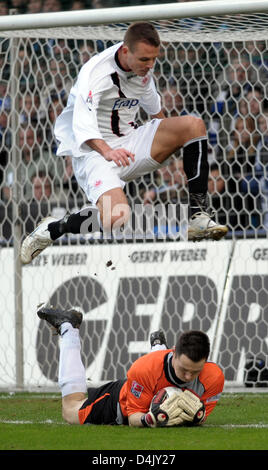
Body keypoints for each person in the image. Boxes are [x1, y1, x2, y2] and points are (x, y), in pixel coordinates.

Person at [20, 22, 228, 265]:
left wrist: (176, 151)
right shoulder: (95, 73)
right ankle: (54, 228)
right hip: (94, 153)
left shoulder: (143, 70)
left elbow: (157, 115)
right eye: (144, 59)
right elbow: (81, 126)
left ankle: (199, 216)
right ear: (124, 51)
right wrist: (107, 151)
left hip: (129, 143)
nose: (150, 65)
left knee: (193, 126)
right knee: (117, 217)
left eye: (153, 59)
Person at [37, 305, 224, 427]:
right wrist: (149, 419)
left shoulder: (214, 378)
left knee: (156, 372)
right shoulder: (143, 369)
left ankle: (158, 347)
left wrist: (196, 418)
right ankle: (68, 328)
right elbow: (134, 418)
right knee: (70, 411)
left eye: (195, 372)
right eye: (184, 369)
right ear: (174, 353)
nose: (189, 377)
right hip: (119, 403)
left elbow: (200, 417)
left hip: (152, 378)